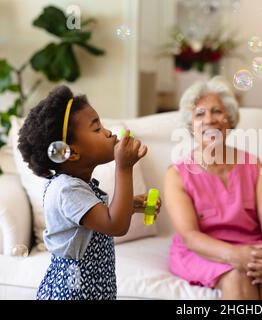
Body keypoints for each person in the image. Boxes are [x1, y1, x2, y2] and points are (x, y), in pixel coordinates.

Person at [18, 85, 161, 300]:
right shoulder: (67, 189)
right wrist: (124, 167)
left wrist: (131, 205)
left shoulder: (79, 185)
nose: (108, 132)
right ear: (71, 152)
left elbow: (101, 219)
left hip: (92, 290)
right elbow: (115, 225)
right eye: (96, 129)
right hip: (72, 293)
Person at [165, 76, 262, 300]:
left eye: (217, 111)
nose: (209, 120)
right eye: (200, 114)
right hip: (203, 251)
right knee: (237, 276)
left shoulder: (255, 165)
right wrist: (236, 256)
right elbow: (190, 236)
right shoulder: (177, 174)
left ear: (230, 120)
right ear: (190, 126)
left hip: (251, 246)